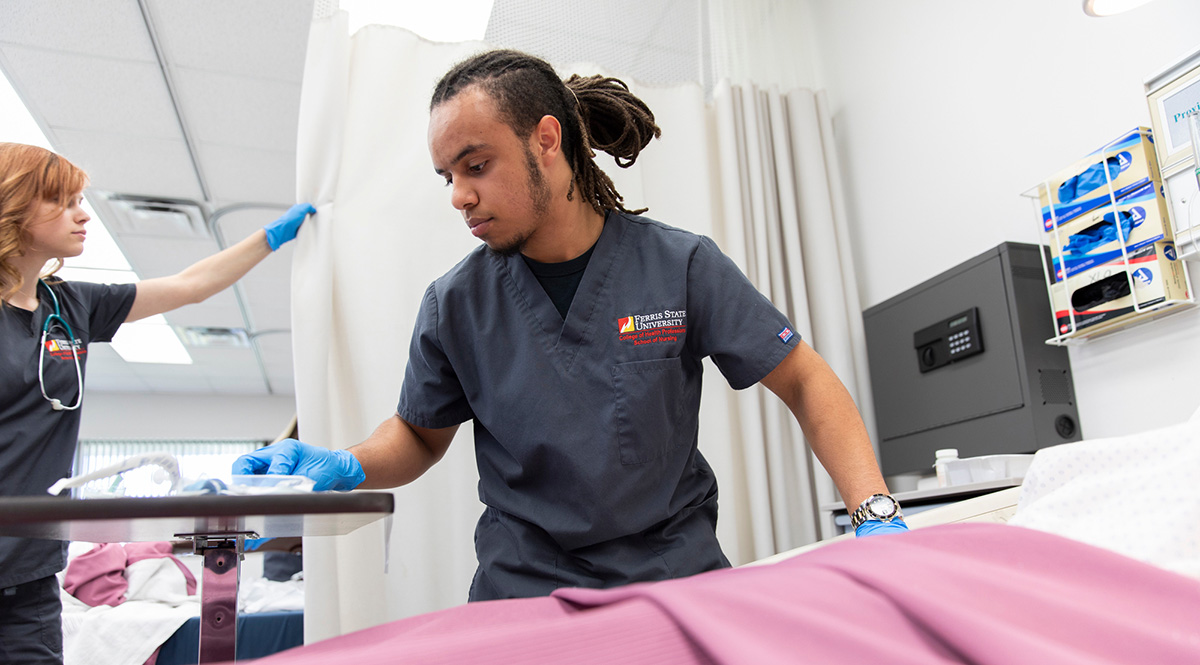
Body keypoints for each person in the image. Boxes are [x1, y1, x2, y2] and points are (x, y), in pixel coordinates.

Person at [234, 49, 906, 602]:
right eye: (447, 175)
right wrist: (346, 463)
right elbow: (418, 433)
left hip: (676, 583)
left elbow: (805, 378)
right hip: (524, 593)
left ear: (546, 141)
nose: (457, 195)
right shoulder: (456, 304)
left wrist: (874, 511)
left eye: (475, 165)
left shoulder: (681, 265)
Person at [0, 142, 315, 664]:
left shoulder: (71, 304)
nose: (84, 215)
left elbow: (189, 287)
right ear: (13, 206)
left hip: (32, 573)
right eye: (65, 202)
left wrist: (271, 238)